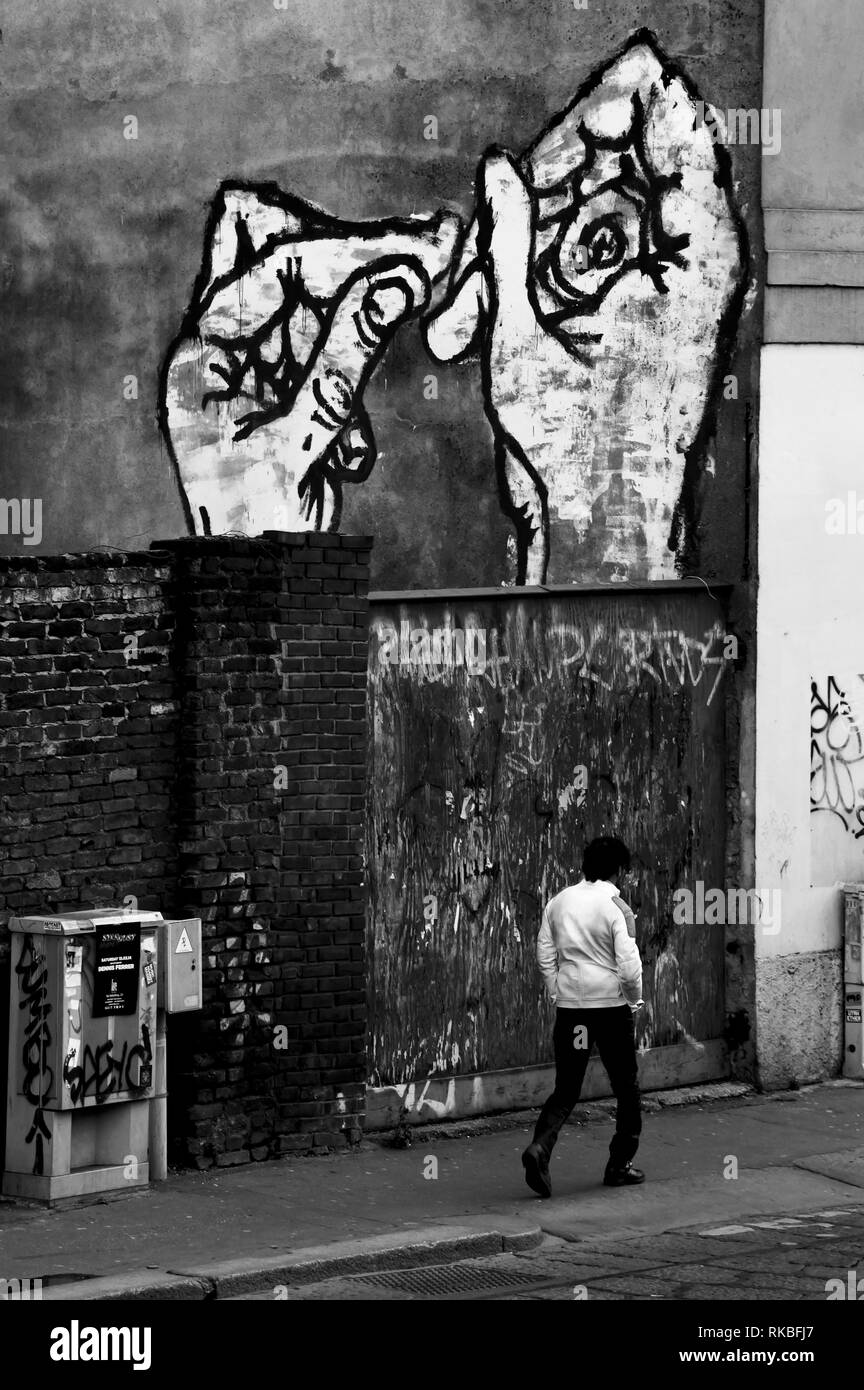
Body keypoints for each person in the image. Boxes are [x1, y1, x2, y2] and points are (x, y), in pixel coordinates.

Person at [522, 835, 645, 1198]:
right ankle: (619, 1165)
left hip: (572, 1012)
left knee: (567, 1087)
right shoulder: (615, 906)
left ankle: (540, 1147)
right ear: (619, 869)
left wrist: (557, 991)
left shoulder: (558, 902)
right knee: (626, 1087)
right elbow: (629, 966)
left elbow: (544, 953)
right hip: (610, 1010)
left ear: (585, 865)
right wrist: (633, 1001)